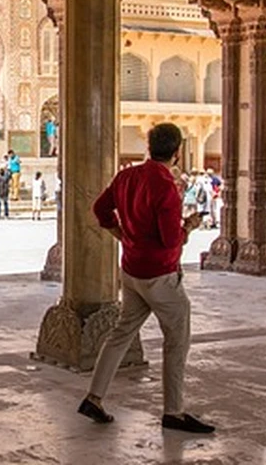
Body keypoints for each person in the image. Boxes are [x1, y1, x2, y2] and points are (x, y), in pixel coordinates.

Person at [78, 123, 215, 434]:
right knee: (177, 341)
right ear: (177, 152)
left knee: (121, 333)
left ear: (149, 147)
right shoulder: (165, 185)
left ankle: (94, 397)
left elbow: (101, 209)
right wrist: (189, 226)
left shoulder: (127, 176)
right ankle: (173, 412)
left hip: (132, 270)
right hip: (160, 275)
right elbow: (170, 240)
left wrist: (123, 236)